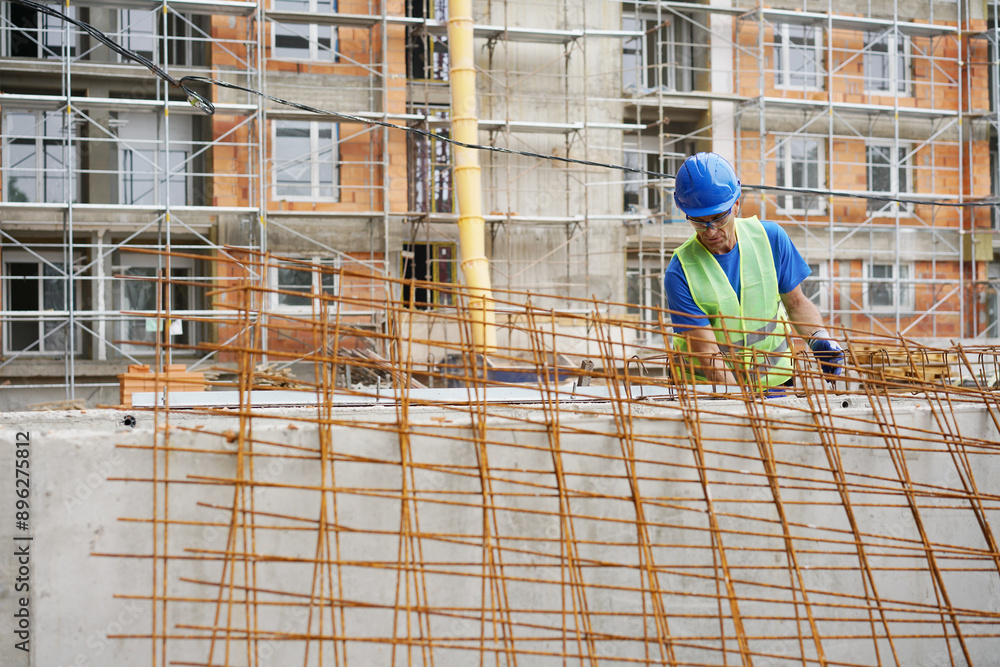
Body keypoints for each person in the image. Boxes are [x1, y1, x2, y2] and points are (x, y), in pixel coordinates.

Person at [663, 152, 844, 388]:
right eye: (699, 221)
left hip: (774, 383)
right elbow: (708, 355)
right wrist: (742, 404)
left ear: (736, 205)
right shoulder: (680, 272)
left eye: (718, 218)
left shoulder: (771, 239)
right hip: (710, 393)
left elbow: (796, 303)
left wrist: (819, 338)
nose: (710, 231)